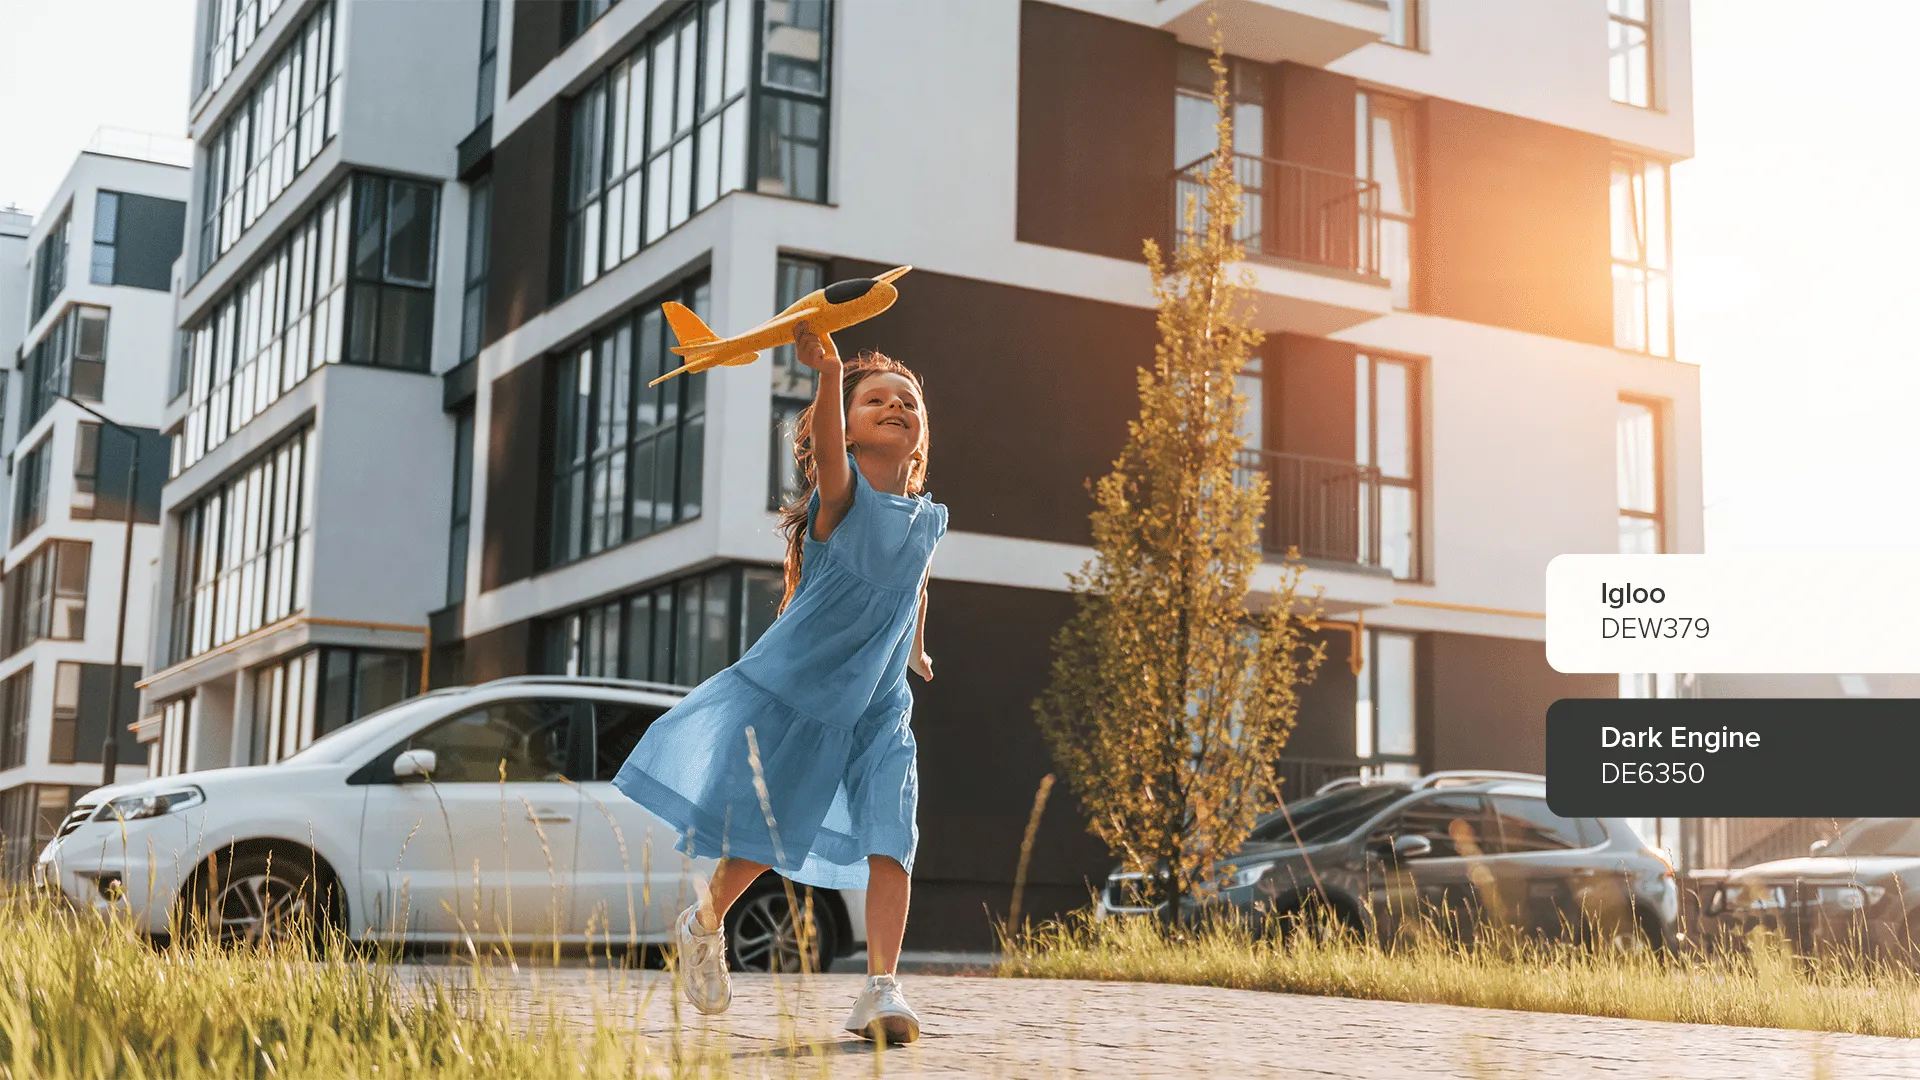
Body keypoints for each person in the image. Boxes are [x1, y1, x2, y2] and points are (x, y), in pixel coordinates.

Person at [612, 321, 943, 1044]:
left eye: (908, 402)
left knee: (895, 835)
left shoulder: (926, 520)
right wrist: (828, 376)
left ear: (921, 437)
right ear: (848, 435)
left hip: (880, 709)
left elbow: (914, 587)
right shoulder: (842, 502)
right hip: (807, 695)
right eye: (876, 400)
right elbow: (827, 456)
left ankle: (881, 989)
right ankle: (704, 924)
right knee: (767, 834)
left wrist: (916, 650)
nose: (895, 406)